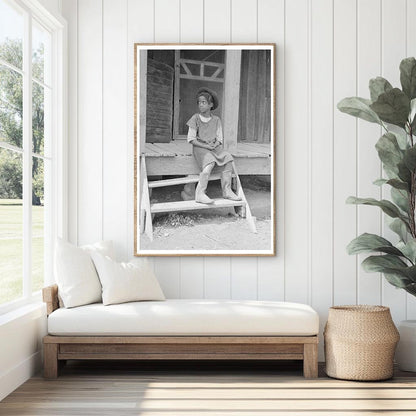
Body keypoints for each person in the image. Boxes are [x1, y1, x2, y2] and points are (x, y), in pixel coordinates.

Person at [186, 87, 241, 204]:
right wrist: (207, 147)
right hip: (200, 147)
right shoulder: (195, 118)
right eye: (199, 102)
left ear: (211, 104)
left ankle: (227, 191)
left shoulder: (216, 120)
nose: (200, 105)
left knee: (227, 158)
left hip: (213, 147)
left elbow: (219, 138)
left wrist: (215, 144)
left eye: (204, 102)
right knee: (209, 163)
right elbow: (191, 139)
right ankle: (200, 193)